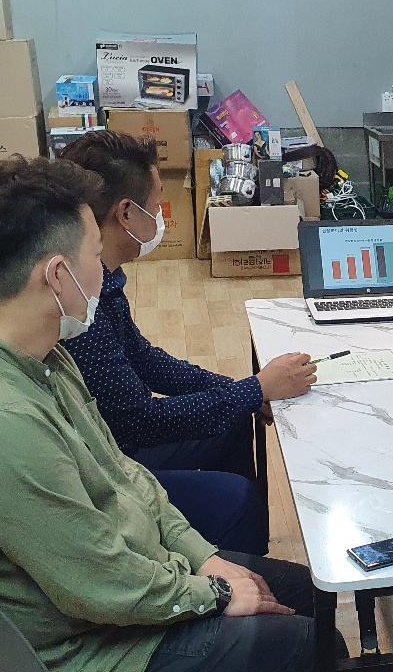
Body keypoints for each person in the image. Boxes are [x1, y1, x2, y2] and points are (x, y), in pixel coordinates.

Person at [0, 156, 337, 672]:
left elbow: (128, 478)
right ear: (57, 274)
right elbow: (99, 586)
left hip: (123, 592)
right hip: (90, 658)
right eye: (93, 254)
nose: (102, 271)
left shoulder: (40, 357)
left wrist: (203, 557)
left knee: (311, 597)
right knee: (319, 652)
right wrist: (211, 592)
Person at [56, 131, 315, 482]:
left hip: (119, 438)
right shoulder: (82, 303)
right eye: (156, 206)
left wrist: (248, 388)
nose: (160, 216)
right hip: (109, 460)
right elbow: (140, 422)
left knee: (234, 416)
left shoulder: (104, 278)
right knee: (235, 495)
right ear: (126, 213)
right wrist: (253, 390)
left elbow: (144, 360)